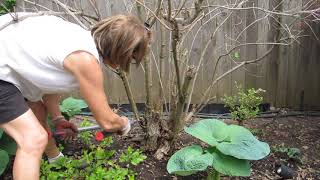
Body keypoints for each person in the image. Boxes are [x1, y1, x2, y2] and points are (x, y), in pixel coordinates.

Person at [0, 12, 151, 180]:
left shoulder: (76, 40)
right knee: (33, 139)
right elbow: (106, 122)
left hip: (11, 68)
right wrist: (123, 123)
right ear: (123, 52)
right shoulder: (85, 59)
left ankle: (55, 159)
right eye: (131, 57)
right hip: (3, 71)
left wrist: (57, 119)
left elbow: (48, 84)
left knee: (38, 113)